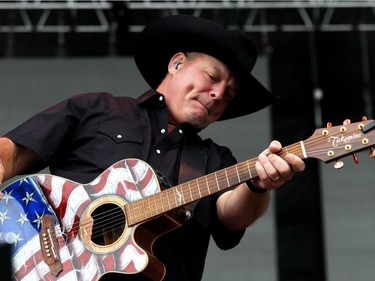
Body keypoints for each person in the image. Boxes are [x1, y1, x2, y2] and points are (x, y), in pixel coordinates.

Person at [0, 15, 305, 281]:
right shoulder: (97, 109)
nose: (217, 94)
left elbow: (229, 216)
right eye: (212, 77)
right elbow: (13, 152)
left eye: (228, 94)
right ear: (176, 63)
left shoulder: (215, 159)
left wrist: (258, 185)